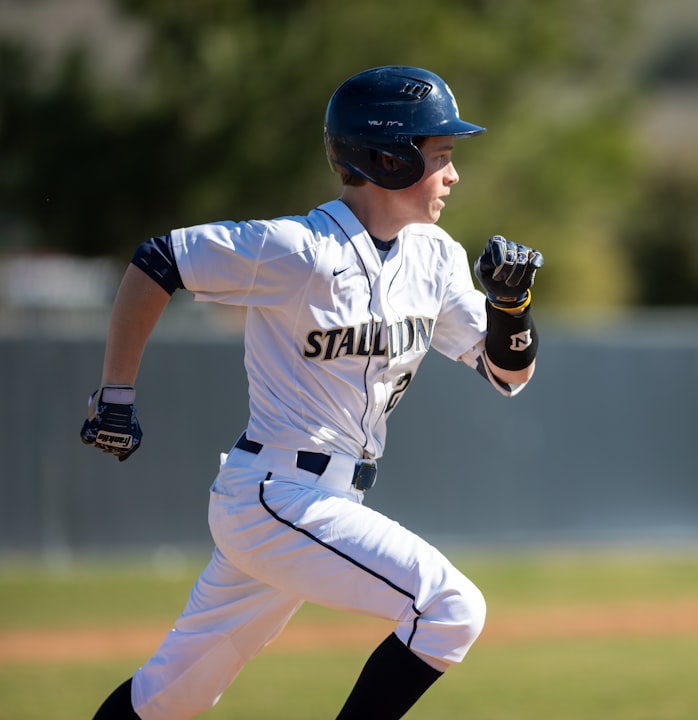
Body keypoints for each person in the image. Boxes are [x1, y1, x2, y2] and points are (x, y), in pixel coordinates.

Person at [80, 65, 543, 720]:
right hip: (274, 494)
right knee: (448, 608)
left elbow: (507, 374)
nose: (453, 174)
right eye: (439, 156)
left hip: (315, 501)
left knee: (169, 697)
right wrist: (115, 395)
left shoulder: (434, 255)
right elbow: (158, 261)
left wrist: (512, 307)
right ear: (388, 158)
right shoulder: (299, 249)